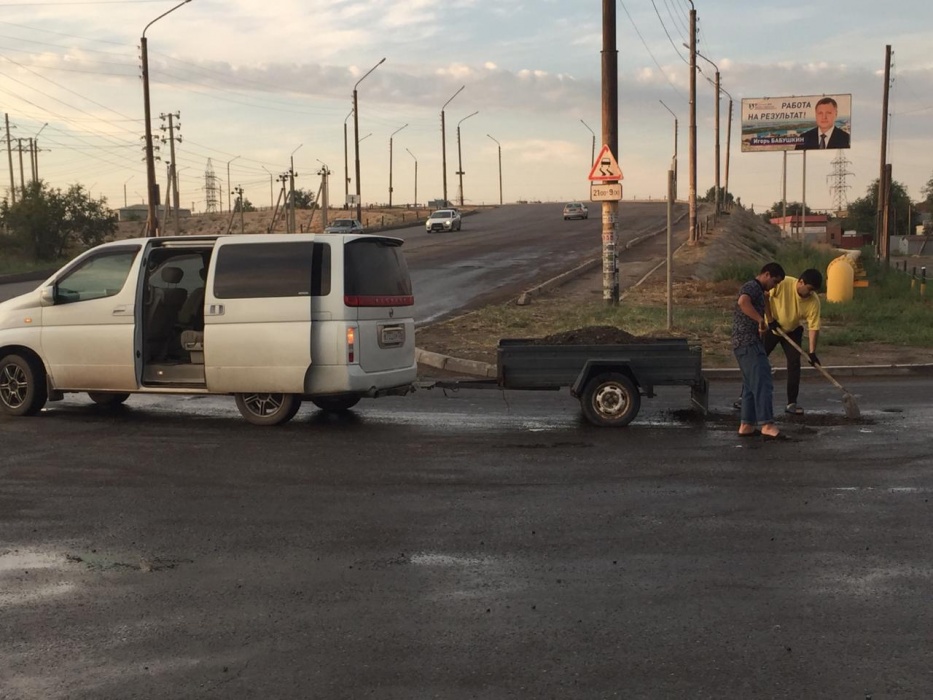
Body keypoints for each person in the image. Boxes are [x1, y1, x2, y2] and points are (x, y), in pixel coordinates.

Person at [732, 262, 786, 439]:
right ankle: (767, 424)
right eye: (775, 282)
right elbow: (743, 302)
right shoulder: (752, 287)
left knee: (750, 385)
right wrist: (759, 321)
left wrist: (769, 320)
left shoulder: (758, 290)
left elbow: (763, 300)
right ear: (767, 275)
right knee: (763, 381)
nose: (774, 286)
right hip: (748, 343)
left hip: (745, 343)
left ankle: (747, 424)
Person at [765, 269, 823, 414]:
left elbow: (813, 327)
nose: (810, 293)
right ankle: (743, 397)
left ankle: (792, 403)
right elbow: (765, 297)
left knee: (794, 364)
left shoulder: (813, 300)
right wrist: (770, 319)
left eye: (813, 291)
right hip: (772, 328)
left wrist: (812, 352)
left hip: (792, 331)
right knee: (757, 359)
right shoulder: (783, 284)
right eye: (809, 289)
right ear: (801, 282)